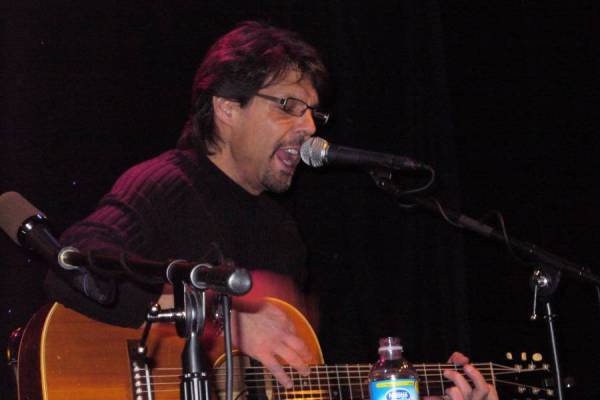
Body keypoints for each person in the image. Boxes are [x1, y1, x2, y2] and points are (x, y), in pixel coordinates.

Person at [45, 21, 497, 400]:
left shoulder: (284, 235)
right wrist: (227, 322)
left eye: (313, 114)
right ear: (226, 106)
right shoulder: (168, 184)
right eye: (288, 106)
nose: (307, 128)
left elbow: (285, 386)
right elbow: (72, 265)